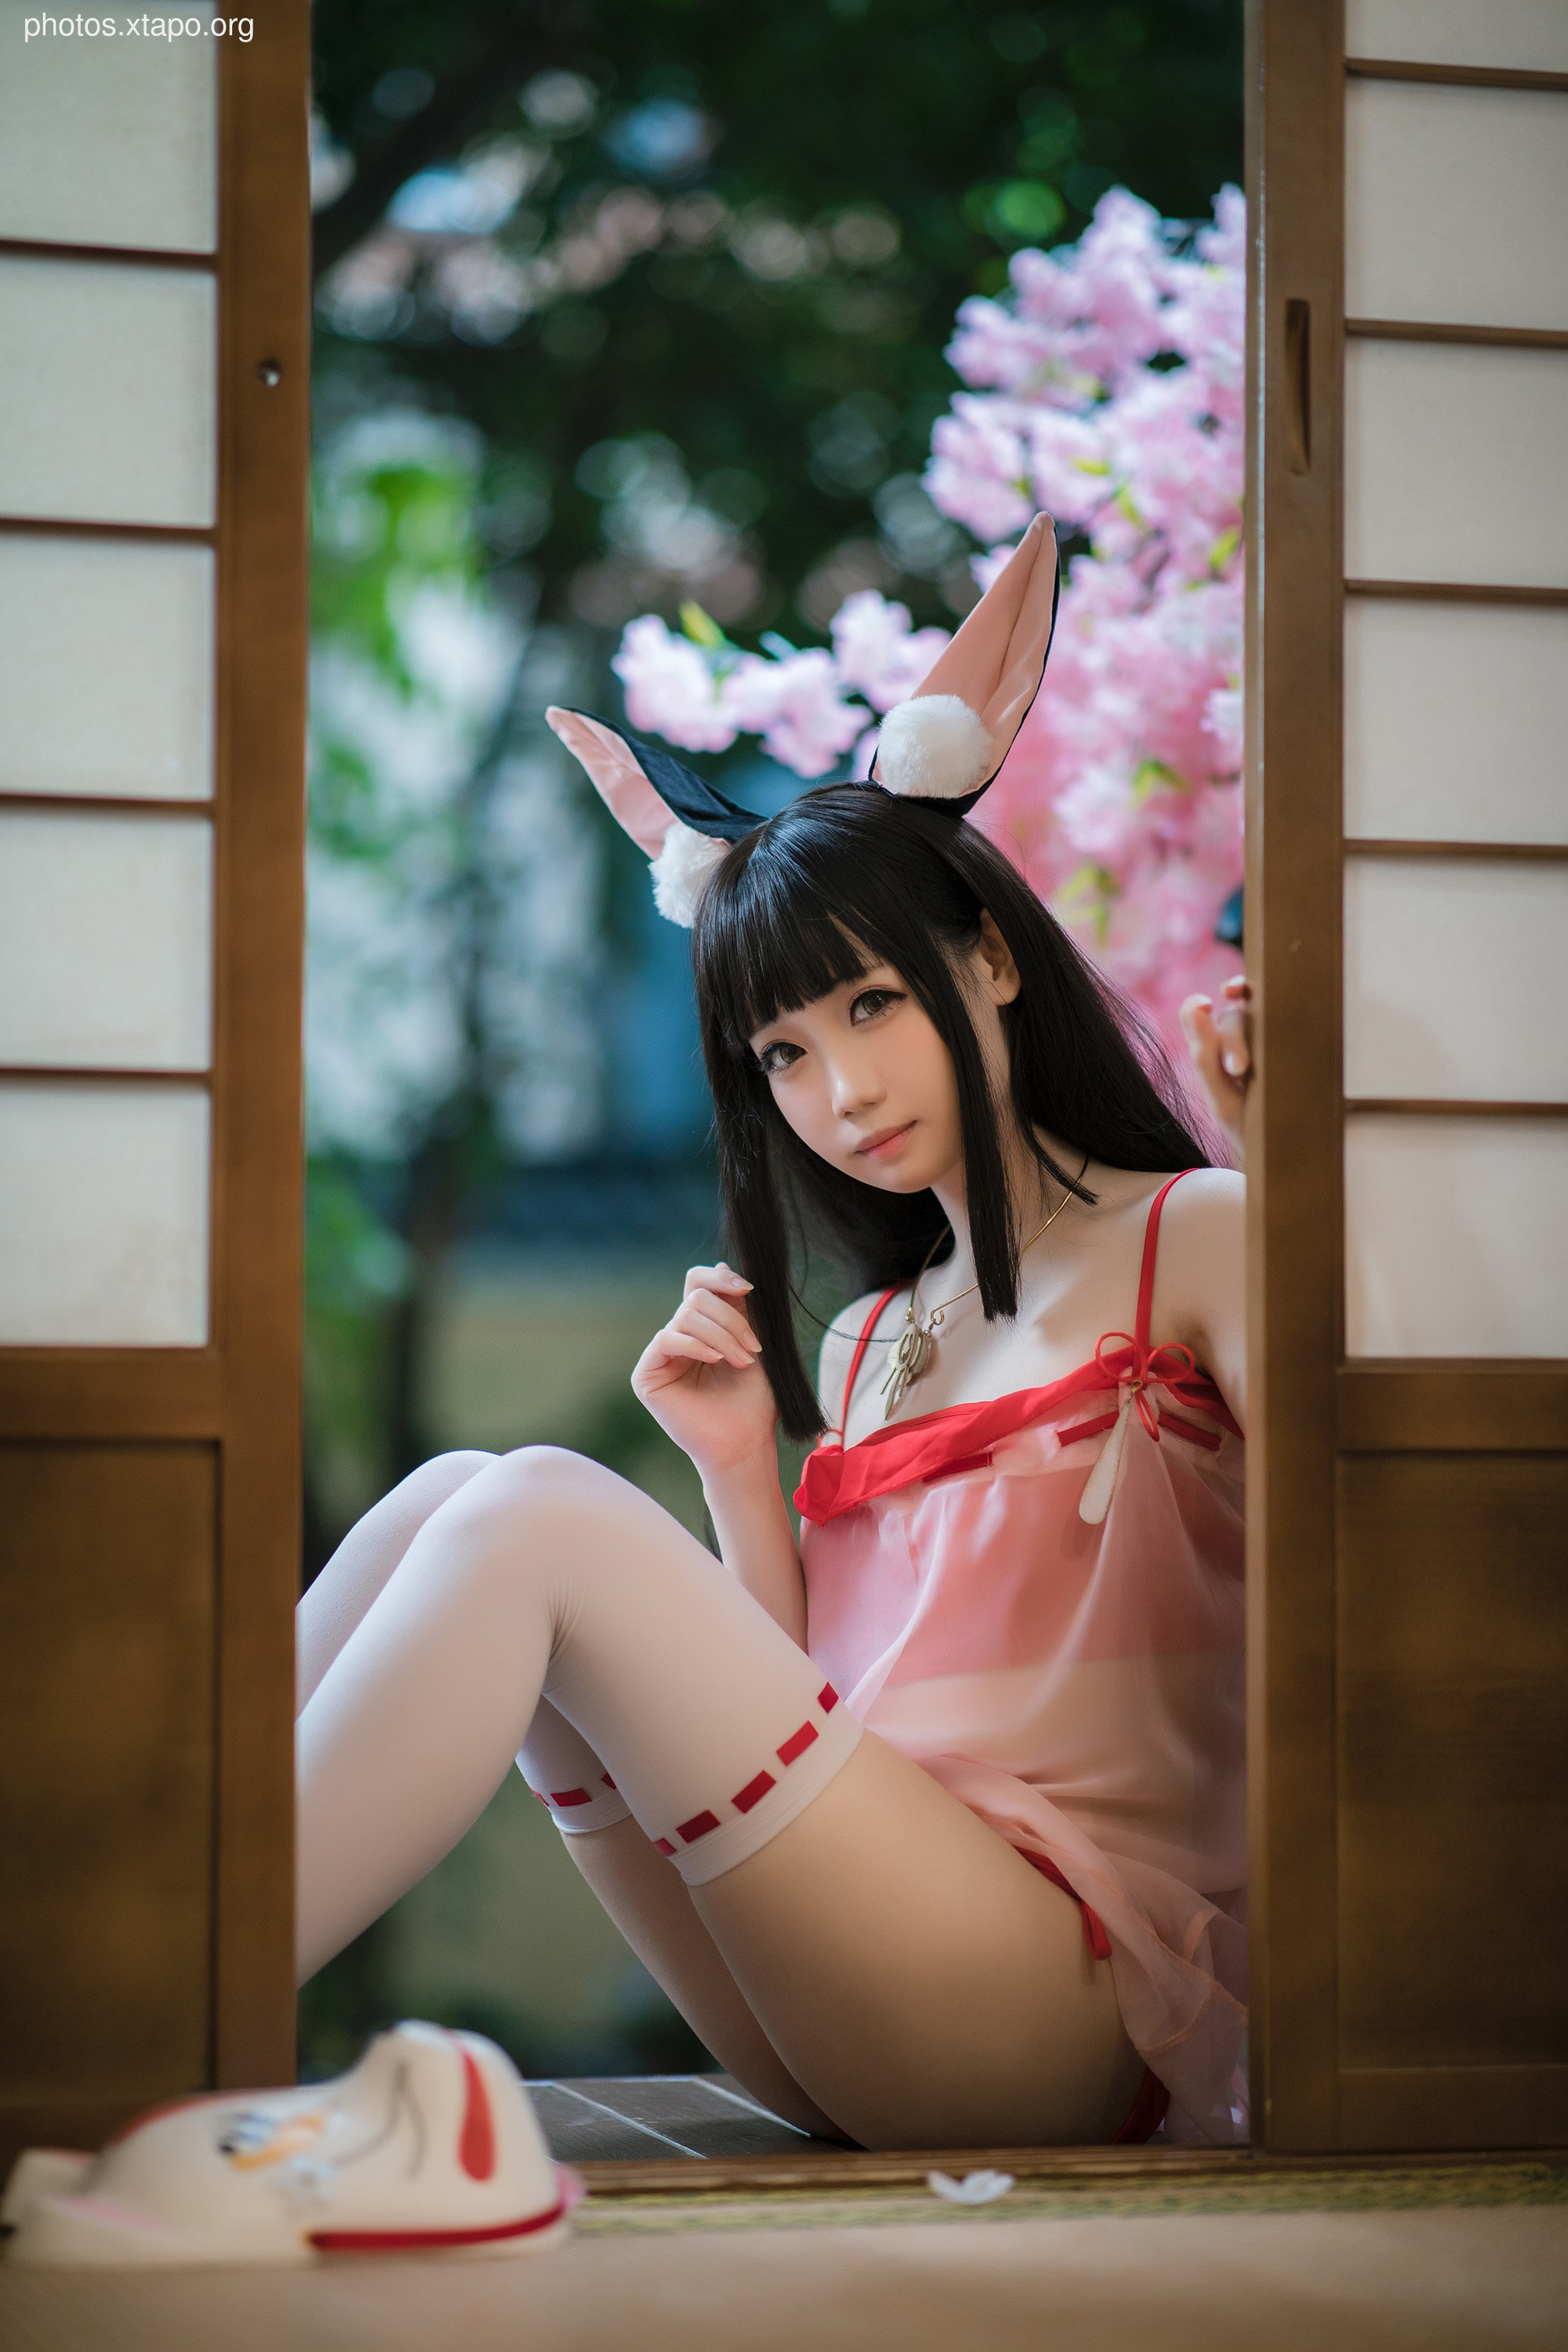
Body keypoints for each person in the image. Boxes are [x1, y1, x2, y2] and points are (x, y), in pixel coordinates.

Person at [295, 517, 1251, 2151]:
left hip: (1069, 1998)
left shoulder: (1204, 1234)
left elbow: (1368, 1600)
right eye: (783, 1055)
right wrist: (744, 1472)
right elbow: (823, 1709)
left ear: (990, 960)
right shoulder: (873, 1330)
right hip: (868, 1982)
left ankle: (134, 2011)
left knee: (535, 1510)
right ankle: (135, 1960)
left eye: (872, 1007)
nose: (840, 1093)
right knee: (467, 1487)